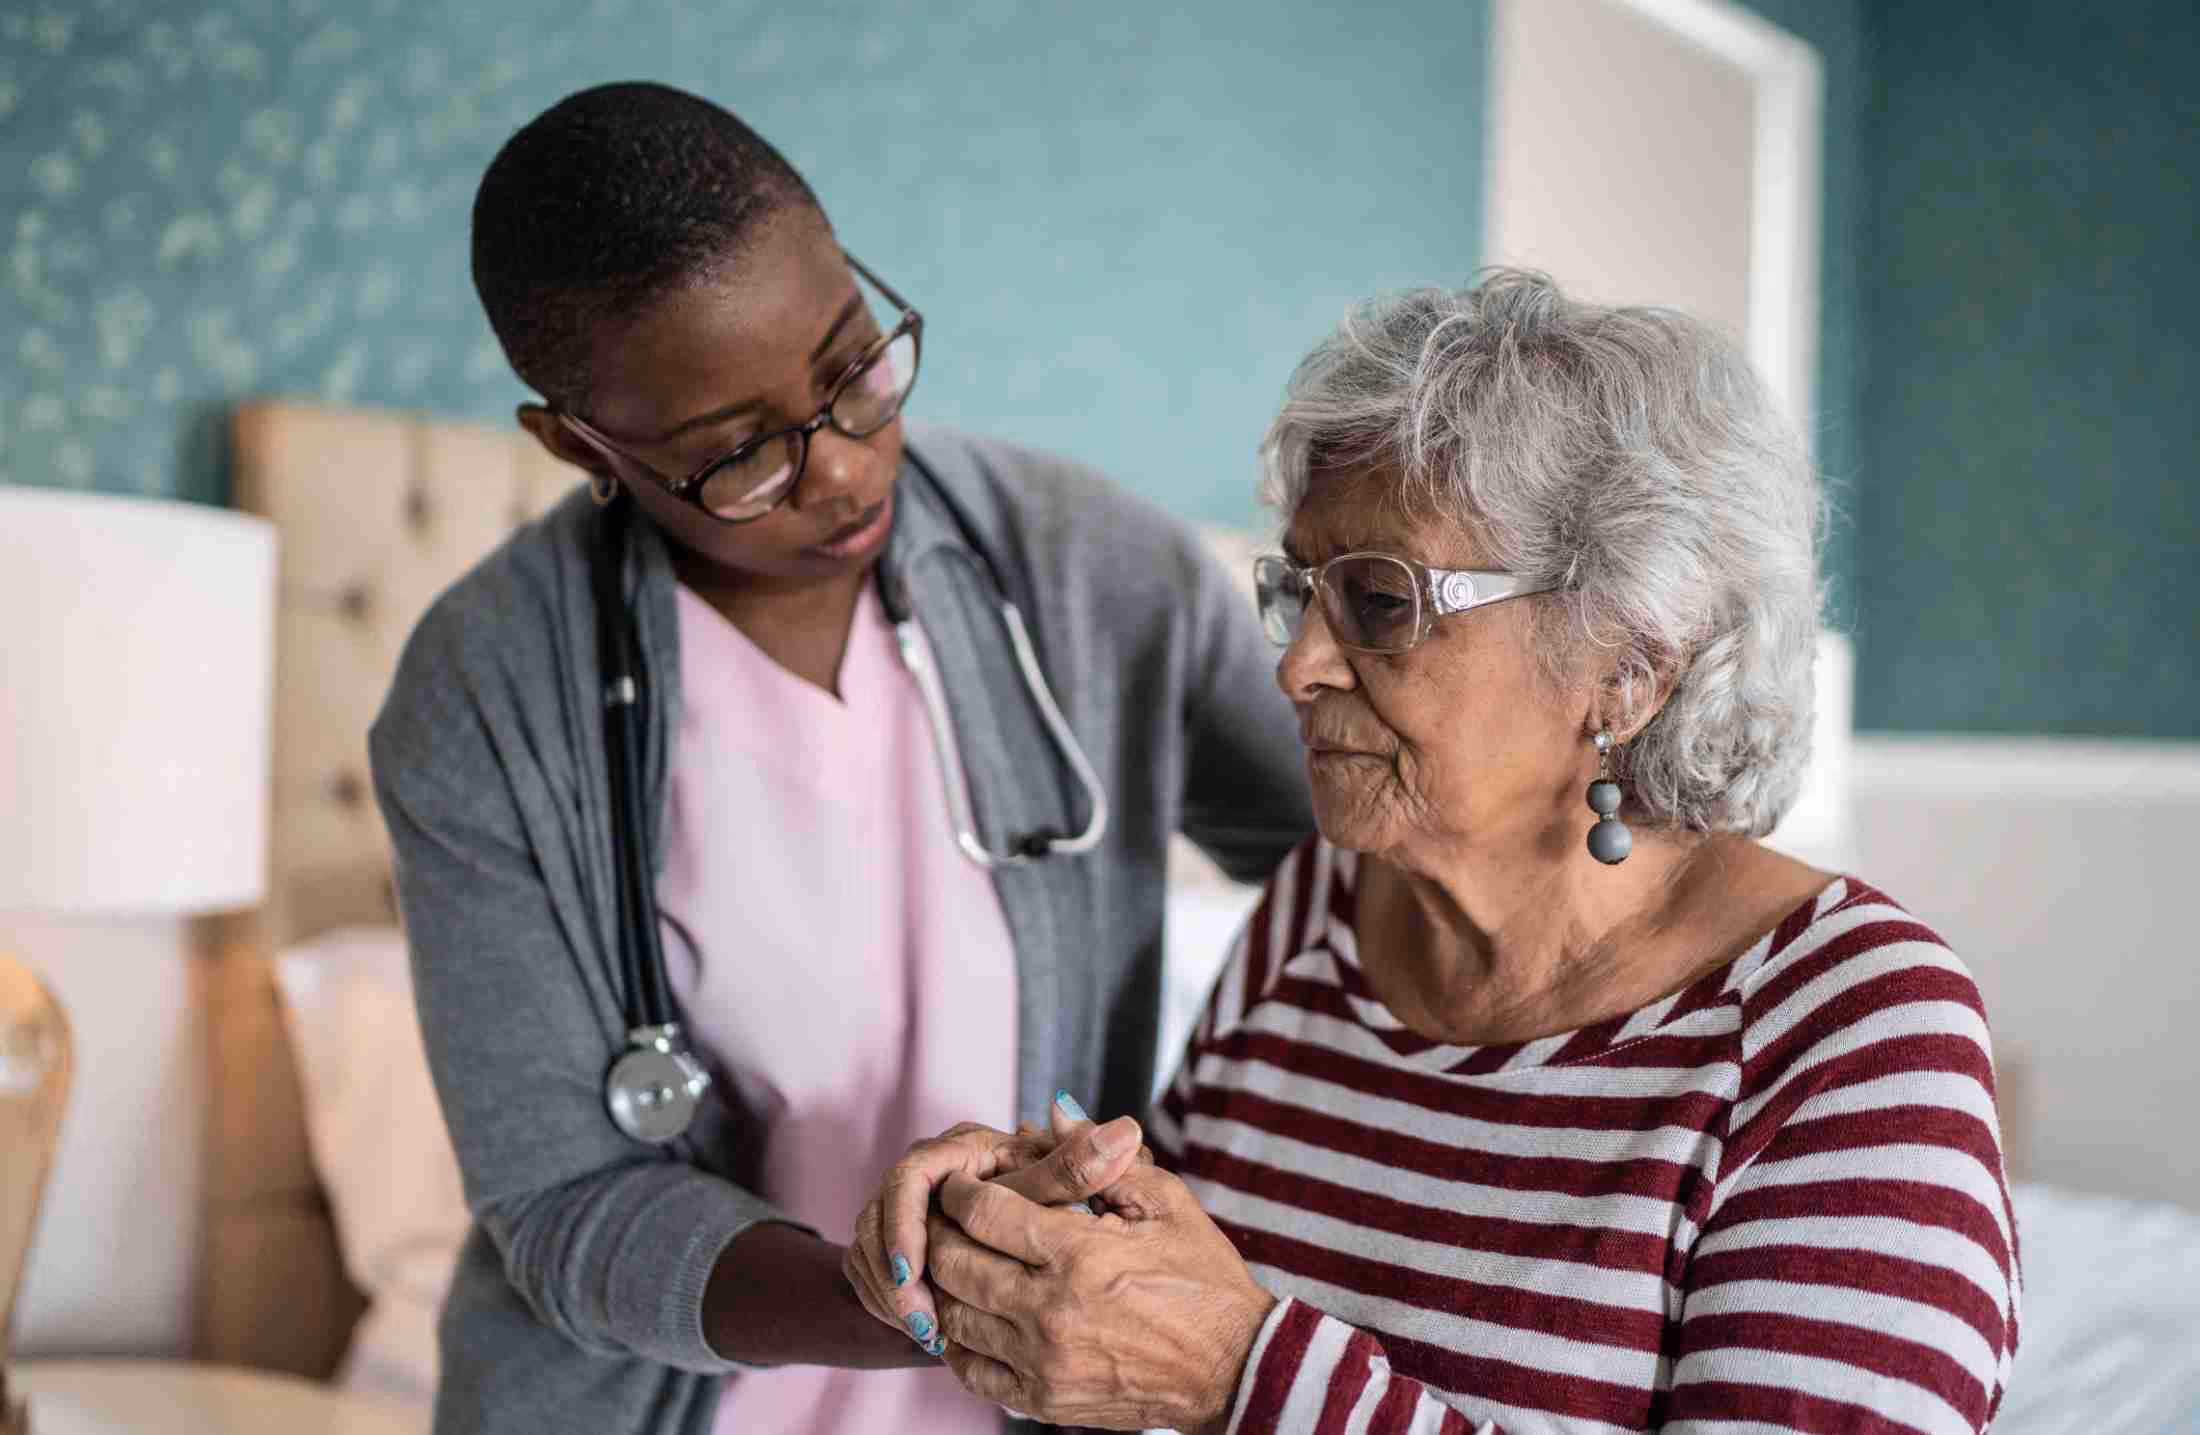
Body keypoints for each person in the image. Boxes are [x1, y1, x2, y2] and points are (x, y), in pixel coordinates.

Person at [847, 272, 2022, 1433]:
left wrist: (1243, 1381)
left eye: (1379, 600)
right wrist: (1027, 1224)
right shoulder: (1319, 911)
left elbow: (1215, 1357)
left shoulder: (1851, 1034)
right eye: (1298, 590)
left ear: (1624, 666)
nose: (1295, 666)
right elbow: (1166, 1305)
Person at [367, 81, 1312, 1435]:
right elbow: (568, 1202)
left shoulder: (1096, 573)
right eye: (740, 453)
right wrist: (888, 1295)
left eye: (853, 368)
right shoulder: (482, 701)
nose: (842, 475)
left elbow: (1373, 867)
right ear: (578, 443)